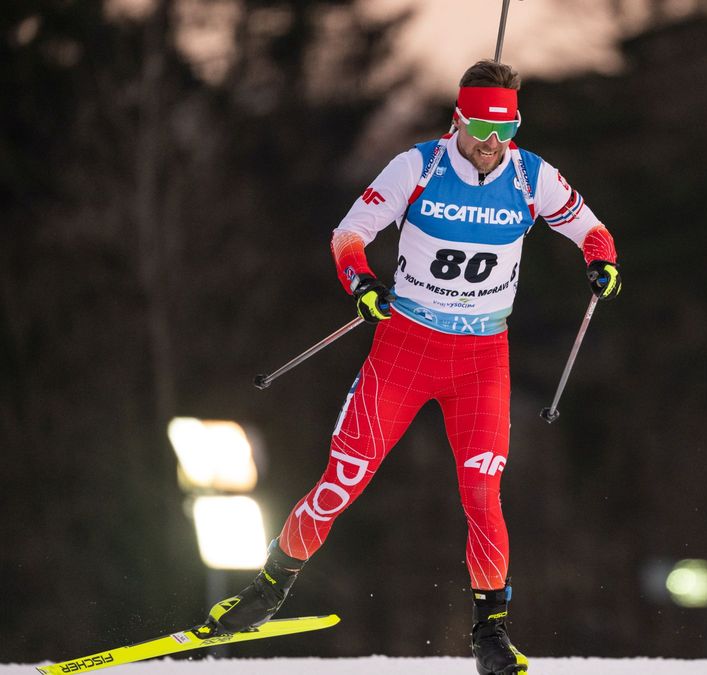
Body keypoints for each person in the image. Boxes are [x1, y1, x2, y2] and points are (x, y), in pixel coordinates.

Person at [196, 60, 621, 675]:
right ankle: (266, 591)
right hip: (407, 348)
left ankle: (491, 634)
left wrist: (601, 261)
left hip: (482, 358)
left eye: (505, 129)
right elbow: (350, 233)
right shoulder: (417, 166)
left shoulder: (533, 177)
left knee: (481, 493)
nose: (491, 143)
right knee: (343, 479)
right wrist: (361, 282)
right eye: (479, 127)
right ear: (458, 118)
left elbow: (592, 229)